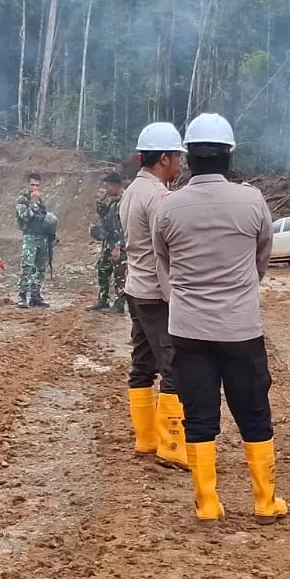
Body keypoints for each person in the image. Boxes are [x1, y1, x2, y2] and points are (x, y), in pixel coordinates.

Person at [153, 113, 286, 523]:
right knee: (254, 412)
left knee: (198, 415)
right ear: (229, 155)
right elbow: (262, 257)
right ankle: (265, 501)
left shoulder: (168, 207)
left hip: (188, 328)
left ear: (189, 157)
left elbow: (164, 263)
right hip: (240, 328)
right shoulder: (253, 201)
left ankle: (207, 504)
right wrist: (240, 287)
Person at [121, 123, 189, 468]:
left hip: (136, 287)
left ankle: (146, 440)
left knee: (143, 363)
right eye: (177, 157)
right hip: (156, 293)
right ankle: (173, 447)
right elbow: (166, 254)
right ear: (164, 158)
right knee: (173, 365)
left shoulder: (132, 191)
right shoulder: (160, 198)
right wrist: (174, 297)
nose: (180, 163)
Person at [89, 172, 127, 314]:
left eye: (108, 186)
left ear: (116, 186)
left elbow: (124, 226)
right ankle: (102, 299)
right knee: (103, 269)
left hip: (118, 244)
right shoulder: (111, 201)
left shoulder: (123, 202)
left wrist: (119, 246)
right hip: (108, 242)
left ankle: (119, 303)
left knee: (119, 274)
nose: (106, 189)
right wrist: (100, 201)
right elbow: (102, 214)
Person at [16, 174, 53, 308]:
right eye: (32, 185)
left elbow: (44, 217)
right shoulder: (23, 200)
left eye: (37, 185)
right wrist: (33, 203)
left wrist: (51, 232)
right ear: (28, 185)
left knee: (41, 268)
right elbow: (24, 217)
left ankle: (35, 296)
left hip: (42, 236)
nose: (35, 188)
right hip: (30, 236)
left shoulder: (41, 200)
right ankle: (22, 296)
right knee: (27, 266)